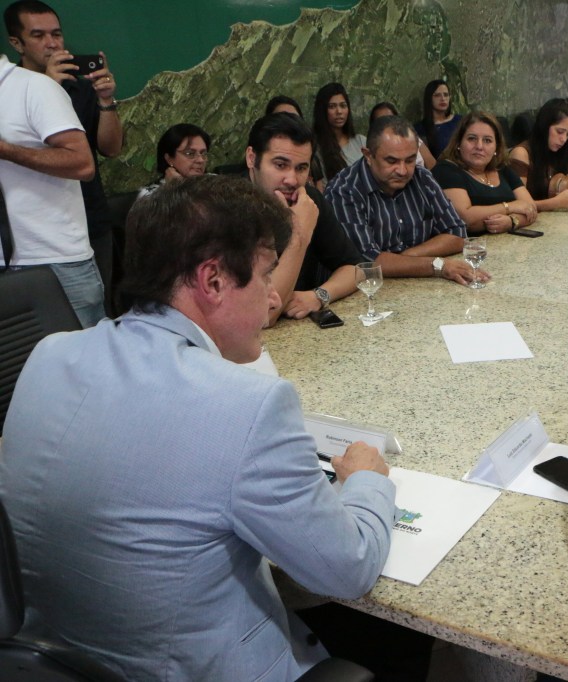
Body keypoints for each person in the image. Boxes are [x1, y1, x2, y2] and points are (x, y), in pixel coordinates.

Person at [0, 174, 396, 681]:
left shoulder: (48, 353)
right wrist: (366, 480)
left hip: (48, 665)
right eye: (264, 276)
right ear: (213, 281)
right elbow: (348, 569)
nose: (274, 298)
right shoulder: (249, 405)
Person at [5, 0, 123, 314]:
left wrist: (106, 100)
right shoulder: (12, 91)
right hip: (33, 236)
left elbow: (110, 149)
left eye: (56, 34)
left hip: (90, 216)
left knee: (97, 310)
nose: (52, 43)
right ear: (17, 43)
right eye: (39, 35)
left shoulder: (79, 85)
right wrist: (48, 88)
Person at [0, 49, 102, 327]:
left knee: (83, 364)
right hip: (4, 265)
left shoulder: (34, 87)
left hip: (53, 259)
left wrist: (6, 150)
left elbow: (83, 164)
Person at [325, 114, 481, 284]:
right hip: (365, 293)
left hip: (419, 287)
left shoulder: (422, 178)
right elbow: (368, 262)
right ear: (368, 155)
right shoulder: (344, 190)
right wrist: (437, 264)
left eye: (410, 160)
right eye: (391, 161)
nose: (403, 171)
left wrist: (407, 257)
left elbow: (457, 233)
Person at [244, 113, 362, 323]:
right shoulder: (226, 210)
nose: (292, 180)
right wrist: (300, 234)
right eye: (280, 165)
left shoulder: (307, 198)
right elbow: (264, 315)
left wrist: (319, 295)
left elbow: (356, 269)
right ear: (252, 158)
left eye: (301, 168)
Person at [432, 111, 537, 235]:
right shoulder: (446, 170)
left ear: (496, 148)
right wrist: (509, 207)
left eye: (487, 140)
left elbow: (530, 208)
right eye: (472, 138)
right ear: (458, 143)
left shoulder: (502, 169)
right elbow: (466, 219)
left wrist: (511, 221)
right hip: (466, 250)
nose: (479, 146)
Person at [508, 97, 568, 212]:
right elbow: (517, 205)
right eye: (560, 132)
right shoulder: (522, 153)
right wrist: (556, 203)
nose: (563, 139)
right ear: (545, 126)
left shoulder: (561, 151)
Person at [311, 82, 364, 188]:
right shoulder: (316, 148)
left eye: (343, 105)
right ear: (323, 110)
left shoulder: (361, 141)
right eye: (332, 106)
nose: (339, 111)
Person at [137, 123, 210, 198]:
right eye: (190, 153)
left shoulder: (215, 184)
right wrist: (176, 187)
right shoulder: (150, 196)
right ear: (169, 159)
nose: (200, 160)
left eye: (203, 153)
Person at [369, 100, 435, 169]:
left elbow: (434, 169)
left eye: (390, 119)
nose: (386, 124)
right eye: (381, 121)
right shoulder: (373, 149)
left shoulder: (413, 140)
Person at [415, 79, 462, 158]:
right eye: (437, 95)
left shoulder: (460, 121)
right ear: (429, 98)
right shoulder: (421, 128)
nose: (443, 98)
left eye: (446, 95)